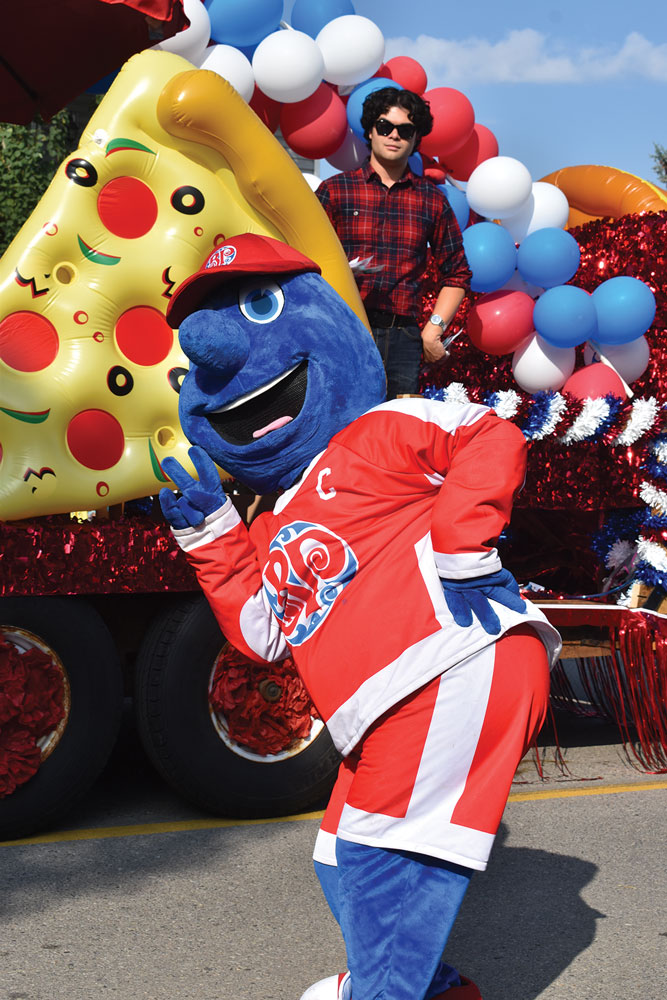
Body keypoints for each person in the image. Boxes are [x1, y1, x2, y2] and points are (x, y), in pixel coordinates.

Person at [158, 234, 561, 1000]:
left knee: (382, 866)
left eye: (256, 307)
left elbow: (486, 434)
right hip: (382, 709)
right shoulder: (271, 521)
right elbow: (265, 633)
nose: (213, 350)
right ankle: (427, 987)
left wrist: (462, 541)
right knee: (341, 858)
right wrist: (208, 533)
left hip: (448, 663)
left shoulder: (376, 429)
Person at [315, 87, 472, 399]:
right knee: (338, 425)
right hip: (342, 328)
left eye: (405, 130)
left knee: (397, 434)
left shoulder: (432, 200)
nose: (394, 135)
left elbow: (457, 274)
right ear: (371, 131)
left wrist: (434, 329)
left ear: (415, 138)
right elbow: (307, 261)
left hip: (403, 337)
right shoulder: (335, 191)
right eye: (385, 126)